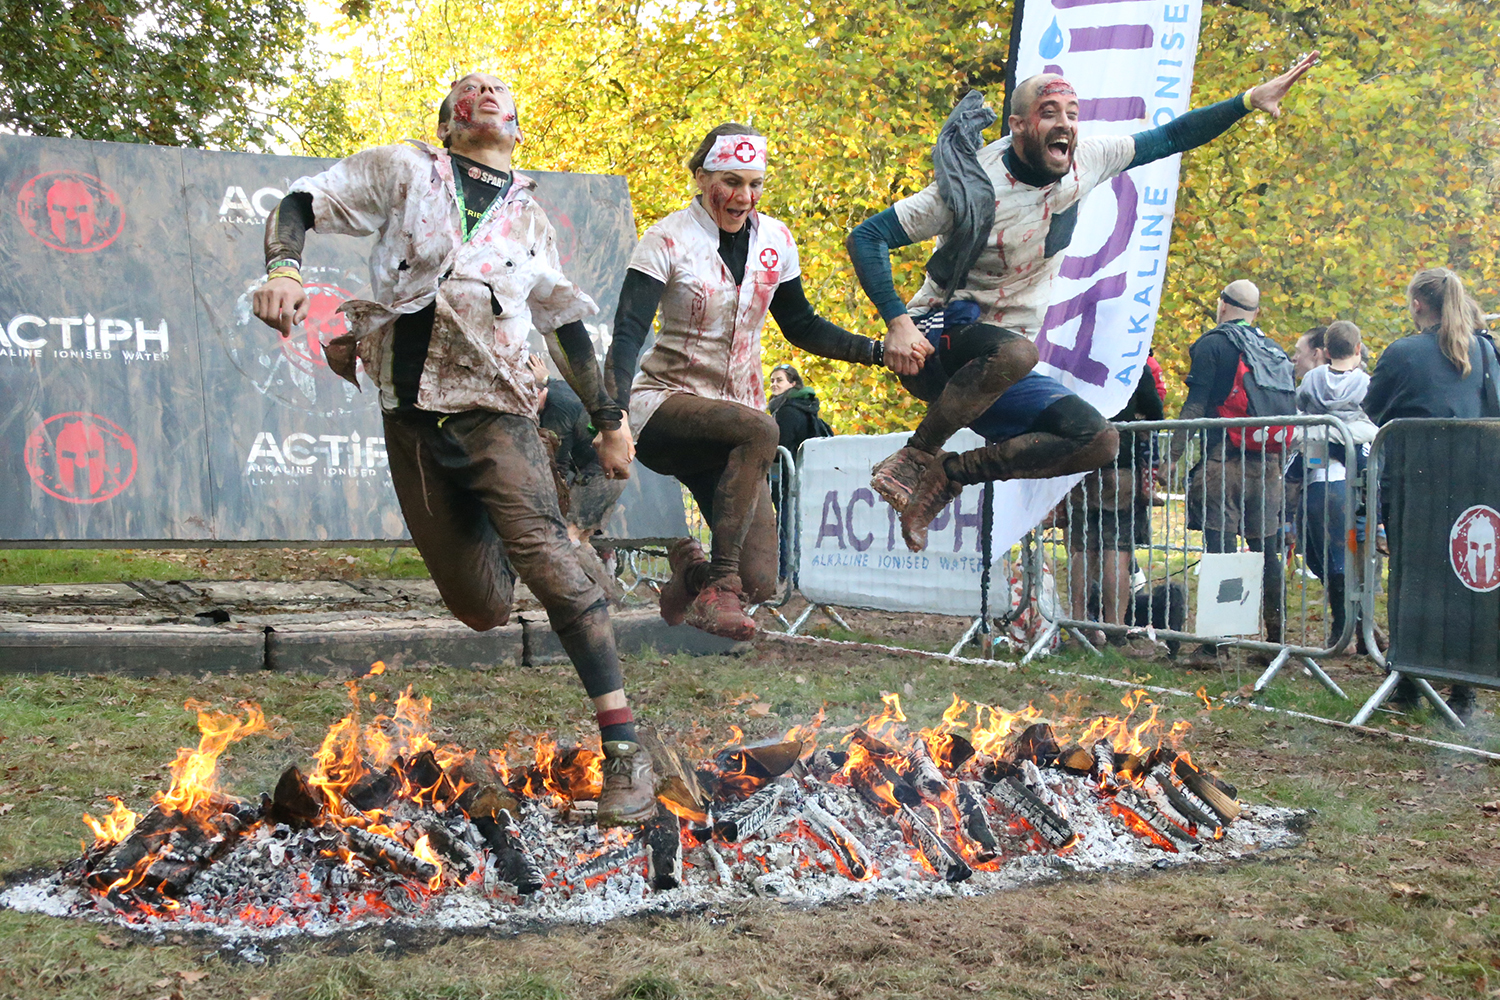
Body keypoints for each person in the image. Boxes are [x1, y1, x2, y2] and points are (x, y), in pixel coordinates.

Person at [251, 73, 656, 826]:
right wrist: (282, 270)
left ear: (518, 127)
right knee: (479, 608)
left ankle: (626, 753)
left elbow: (564, 324)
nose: (488, 94)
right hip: (409, 419)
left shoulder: (530, 219)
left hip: (496, 412)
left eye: (501, 92)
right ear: (449, 123)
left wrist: (609, 418)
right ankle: (541, 530)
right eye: (471, 92)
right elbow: (300, 203)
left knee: (552, 564)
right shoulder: (406, 171)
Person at [846, 55, 1318, 551]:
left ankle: (951, 475)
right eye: (1050, 112)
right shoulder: (972, 186)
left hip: (997, 368)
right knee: (1015, 353)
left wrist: (1248, 101)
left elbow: (1172, 137)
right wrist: (897, 322)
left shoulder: (1087, 162)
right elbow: (867, 236)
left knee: (1097, 439)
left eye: (1073, 113)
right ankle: (918, 453)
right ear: (1019, 125)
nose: (1066, 124)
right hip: (938, 339)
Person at [603, 124, 885, 640]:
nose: (744, 197)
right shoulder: (665, 238)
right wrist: (612, 416)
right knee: (760, 428)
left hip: (737, 421)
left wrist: (877, 351)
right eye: (731, 182)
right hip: (666, 407)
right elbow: (626, 335)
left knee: (763, 581)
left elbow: (801, 325)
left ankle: (693, 574)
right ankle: (719, 589)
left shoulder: (776, 239)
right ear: (700, 177)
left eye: (755, 184)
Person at [1365, 267, 1500, 721]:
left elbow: (1371, 409)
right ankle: (1464, 689)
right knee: (1465, 582)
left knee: (1411, 578)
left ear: (1418, 304)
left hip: (1415, 482)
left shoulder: (1404, 352)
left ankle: (1409, 682)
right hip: (1473, 483)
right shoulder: (1483, 350)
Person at [1176, 280, 1297, 658]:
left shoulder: (1212, 344)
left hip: (1222, 462)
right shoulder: (1273, 350)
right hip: (1268, 466)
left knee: (1222, 551)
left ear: (1222, 305)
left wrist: (1170, 456)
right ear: (1256, 312)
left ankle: (1217, 647)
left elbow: (1195, 406)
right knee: (1267, 551)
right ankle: (1275, 642)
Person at [1064, 371, 1162, 657]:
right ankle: (1116, 629)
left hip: (1077, 463)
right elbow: (1155, 409)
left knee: (1081, 548)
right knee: (1116, 549)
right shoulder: (1132, 354)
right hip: (1120, 462)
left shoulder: (1076, 352)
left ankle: (1080, 627)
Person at [1295, 320, 1377, 645]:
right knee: (1349, 552)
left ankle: (1345, 625)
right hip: (1354, 472)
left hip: (1319, 470)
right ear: (1358, 349)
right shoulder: (1365, 382)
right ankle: (1354, 626)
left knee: (1327, 554)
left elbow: (1301, 402)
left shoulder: (1313, 378)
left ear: (1326, 352)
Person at [528, 353, 628, 596]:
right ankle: (608, 595)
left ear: (538, 392)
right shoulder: (556, 386)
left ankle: (580, 594)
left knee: (567, 535)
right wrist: (546, 377)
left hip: (601, 476)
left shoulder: (556, 411)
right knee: (580, 540)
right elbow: (550, 381)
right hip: (614, 473)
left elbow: (556, 466)